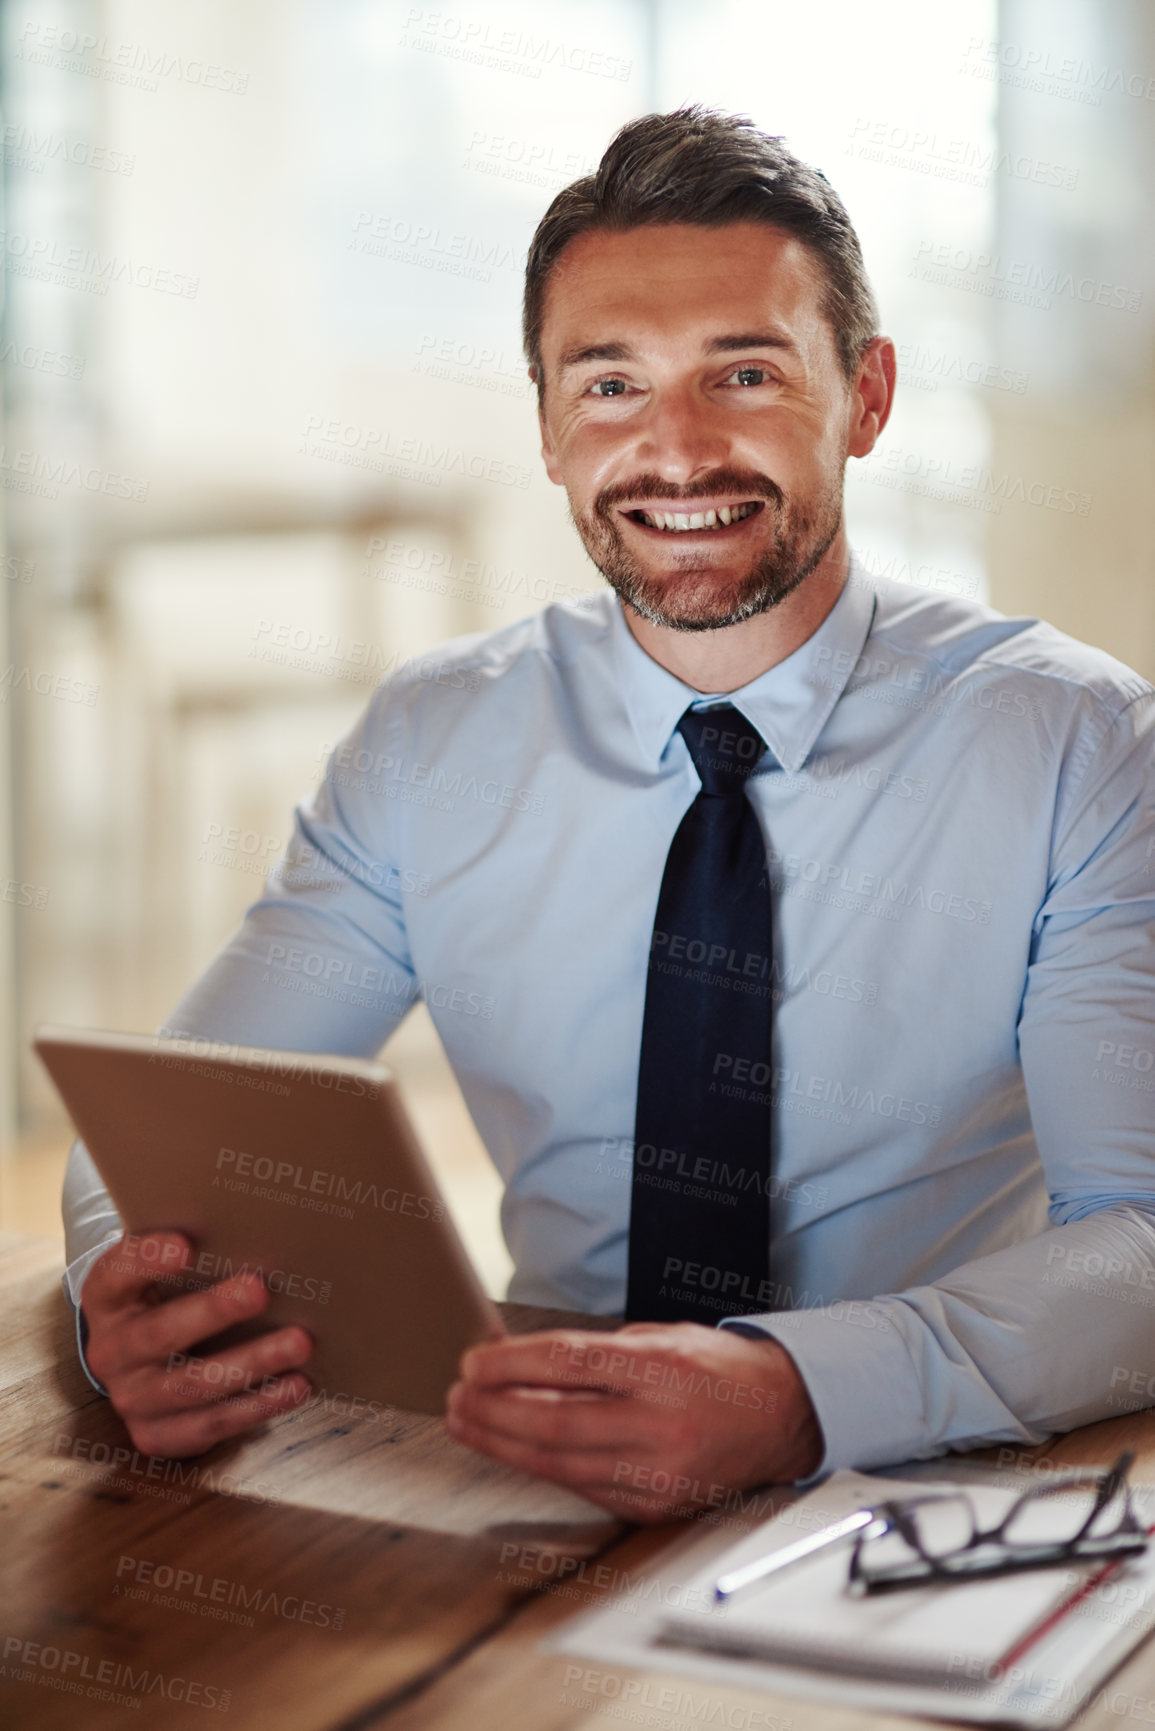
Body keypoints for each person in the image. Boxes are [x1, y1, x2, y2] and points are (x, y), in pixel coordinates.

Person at [63, 107, 1155, 1523]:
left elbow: (1138, 1238)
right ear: (546, 424)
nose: (676, 452)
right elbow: (164, 1129)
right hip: (527, 1481)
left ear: (867, 396)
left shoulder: (1079, 741)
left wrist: (796, 1391)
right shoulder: (431, 739)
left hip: (920, 1491)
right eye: (610, 385)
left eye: (744, 373)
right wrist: (119, 1300)